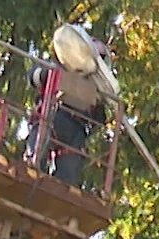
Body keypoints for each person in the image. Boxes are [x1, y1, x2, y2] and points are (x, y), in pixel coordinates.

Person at [30, 34, 109, 186]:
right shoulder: (57, 64)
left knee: (67, 180)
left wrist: (98, 101)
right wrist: (47, 74)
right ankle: (31, 174)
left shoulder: (96, 86)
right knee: (35, 159)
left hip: (76, 130)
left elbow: (99, 119)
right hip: (51, 115)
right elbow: (33, 76)